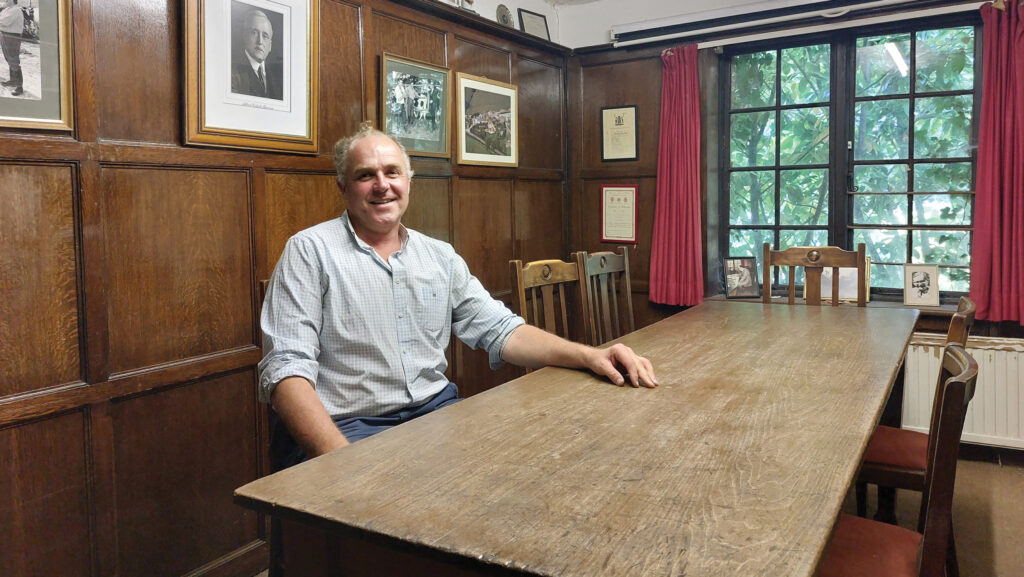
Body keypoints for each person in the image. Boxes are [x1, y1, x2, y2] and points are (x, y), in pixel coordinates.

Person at [259, 124, 658, 469]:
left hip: (436, 416)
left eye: (392, 172)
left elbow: (503, 330)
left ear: (409, 182)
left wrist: (591, 356)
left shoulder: (439, 256)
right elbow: (285, 371)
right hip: (351, 427)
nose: (382, 185)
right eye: (366, 175)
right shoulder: (310, 251)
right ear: (344, 187)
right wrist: (341, 464)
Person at [230, 8, 282, 99]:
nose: (260, 41)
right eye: (254, 33)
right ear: (244, 36)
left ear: (270, 46)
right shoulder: (232, 73)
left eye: (265, 36)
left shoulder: (279, 77)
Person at [0, 0, 24, 97]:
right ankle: (13, 80)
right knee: (8, 58)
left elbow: (4, 22)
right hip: (5, 35)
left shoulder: (16, 10)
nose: (5, 1)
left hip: (13, 37)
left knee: (13, 59)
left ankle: (19, 86)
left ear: (13, 1)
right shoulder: (7, 9)